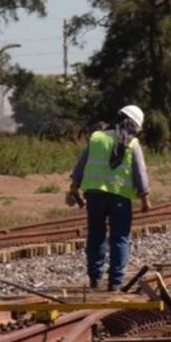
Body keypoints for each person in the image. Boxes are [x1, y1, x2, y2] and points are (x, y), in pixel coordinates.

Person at [67, 105, 152, 290]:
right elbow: (140, 172)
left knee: (95, 235)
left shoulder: (97, 137)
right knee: (120, 237)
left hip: (94, 195)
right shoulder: (132, 143)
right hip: (119, 198)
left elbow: (80, 166)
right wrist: (145, 198)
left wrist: (74, 188)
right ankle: (115, 282)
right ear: (134, 126)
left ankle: (95, 279)